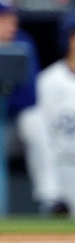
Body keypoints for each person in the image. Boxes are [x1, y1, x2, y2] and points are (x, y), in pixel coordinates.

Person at [34, 14, 75, 215]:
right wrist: (51, 187)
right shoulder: (48, 81)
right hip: (62, 166)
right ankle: (51, 198)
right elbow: (43, 138)